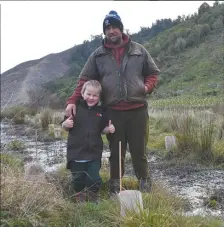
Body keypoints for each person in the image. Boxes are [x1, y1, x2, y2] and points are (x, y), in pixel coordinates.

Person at [65, 10, 160, 195]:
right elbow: (84, 81)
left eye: (114, 27)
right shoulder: (97, 55)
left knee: (139, 150)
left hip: (138, 110)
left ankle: (145, 182)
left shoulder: (139, 50)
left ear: (121, 29)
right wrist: (72, 101)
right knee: (116, 152)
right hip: (112, 112)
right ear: (104, 32)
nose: (111, 31)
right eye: (107, 28)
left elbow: (153, 73)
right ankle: (116, 185)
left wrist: (147, 88)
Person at [62, 80, 115, 203]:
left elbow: (103, 129)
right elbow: (64, 126)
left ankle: (93, 199)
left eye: (95, 95)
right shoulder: (75, 108)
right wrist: (66, 124)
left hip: (94, 153)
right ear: (82, 93)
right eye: (88, 94)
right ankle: (80, 198)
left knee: (94, 178)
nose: (91, 97)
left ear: (99, 97)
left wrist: (109, 129)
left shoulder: (101, 111)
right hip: (76, 153)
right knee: (78, 180)